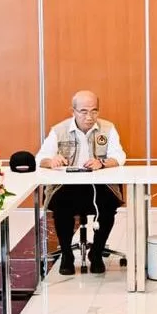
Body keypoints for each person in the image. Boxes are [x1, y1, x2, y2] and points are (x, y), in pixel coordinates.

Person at [36, 90, 126, 275]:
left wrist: (102, 163)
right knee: (61, 207)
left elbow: (119, 156)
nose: (89, 117)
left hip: (98, 186)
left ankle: (97, 253)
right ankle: (67, 255)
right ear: (73, 111)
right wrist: (51, 161)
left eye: (94, 111)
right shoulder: (59, 130)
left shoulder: (108, 128)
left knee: (108, 206)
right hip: (66, 187)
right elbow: (40, 158)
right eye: (83, 111)